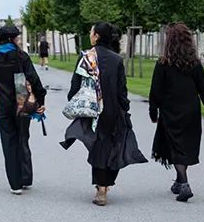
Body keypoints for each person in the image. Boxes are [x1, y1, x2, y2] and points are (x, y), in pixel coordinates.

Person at [61, 22, 146, 206]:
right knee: (113, 145)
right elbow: (122, 89)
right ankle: (105, 184)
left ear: (97, 36)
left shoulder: (85, 57)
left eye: (91, 32)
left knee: (98, 146)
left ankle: (101, 187)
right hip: (112, 109)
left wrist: (74, 101)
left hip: (92, 110)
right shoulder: (117, 59)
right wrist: (125, 108)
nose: (90, 34)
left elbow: (76, 84)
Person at [149, 23, 204, 202]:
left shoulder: (163, 63)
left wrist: (153, 110)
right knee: (185, 145)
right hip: (191, 110)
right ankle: (179, 181)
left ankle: (185, 184)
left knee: (175, 146)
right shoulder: (194, 63)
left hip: (170, 110)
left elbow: (155, 90)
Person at [0, 26, 46, 193]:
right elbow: (33, 78)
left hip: (3, 99)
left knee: (8, 141)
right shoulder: (21, 56)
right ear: (13, 39)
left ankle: (15, 183)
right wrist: (40, 99)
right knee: (23, 137)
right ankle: (26, 177)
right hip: (21, 97)